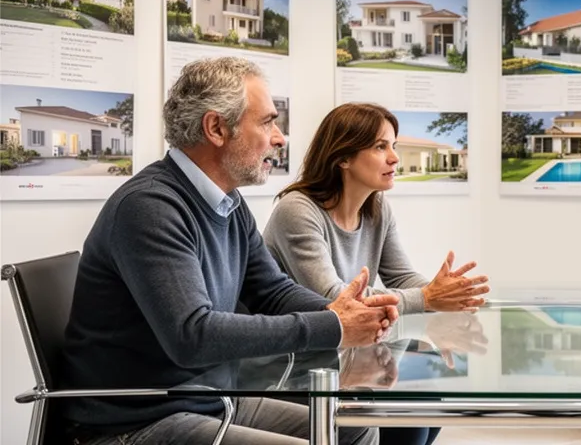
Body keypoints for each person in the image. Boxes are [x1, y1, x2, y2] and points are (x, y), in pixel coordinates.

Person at [61, 57, 398, 445]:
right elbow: (194, 336)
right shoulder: (149, 207)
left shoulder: (227, 203)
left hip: (212, 402)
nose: (280, 138)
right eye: (267, 122)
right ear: (217, 128)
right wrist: (334, 326)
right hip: (138, 422)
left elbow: (271, 291)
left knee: (354, 426)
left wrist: (343, 310)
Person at [262, 102, 490, 445]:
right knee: (407, 422)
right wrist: (429, 297)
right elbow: (337, 299)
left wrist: (448, 292)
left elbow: (402, 278)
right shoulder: (296, 210)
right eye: (381, 147)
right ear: (343, 157)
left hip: (349, 356)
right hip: (293, 369)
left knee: (428, 403)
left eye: (393, 146)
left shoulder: (377, 207)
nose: (395, 158)